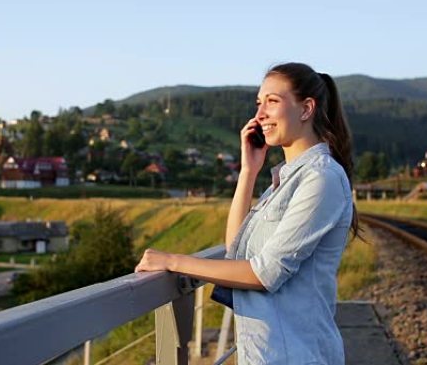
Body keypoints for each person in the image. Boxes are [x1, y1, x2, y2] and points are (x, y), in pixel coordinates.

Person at [135, 62, 359, 365]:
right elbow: (236, 250)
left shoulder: (322, 178)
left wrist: (173, 261)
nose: (260, 114)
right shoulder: (284, 182)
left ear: (306, 109)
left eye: (272, 102)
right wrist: (249, 171)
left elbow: (265, 273)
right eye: (259, 103)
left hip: (298, 355)